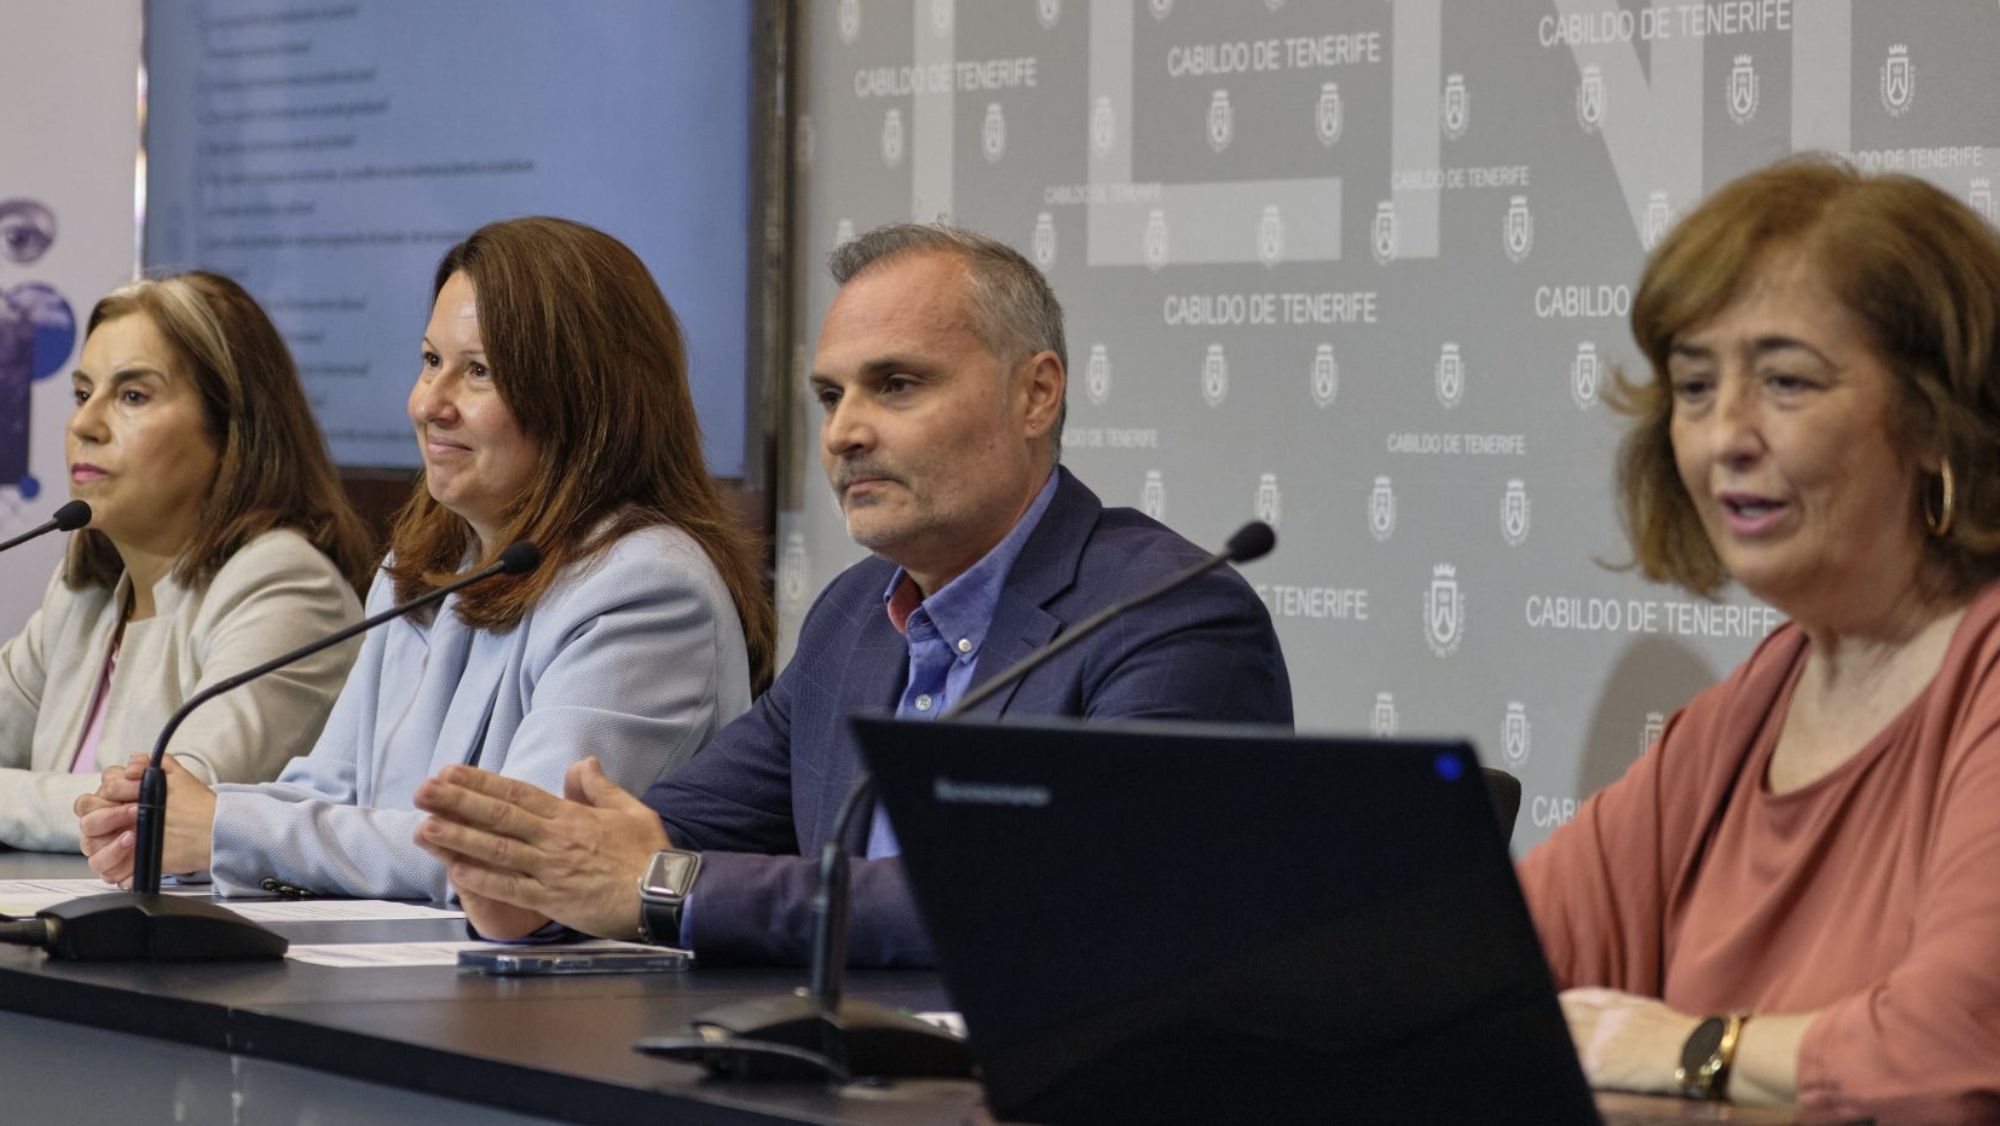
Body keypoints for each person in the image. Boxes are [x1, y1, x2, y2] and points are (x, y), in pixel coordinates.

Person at [411, 222, 1293, 965]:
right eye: (830, 395)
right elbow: (659, 829)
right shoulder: (854, 617)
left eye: (897, 385)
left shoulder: (1169, 617)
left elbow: (1062, 902)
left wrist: (662, 885)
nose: (844, 432)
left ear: (1037, 393)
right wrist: (528, 873)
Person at [76, 217, 774, 901]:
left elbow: (512, 856)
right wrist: (169, 817)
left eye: (478, 372)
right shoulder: (422, 566)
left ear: (581, 401)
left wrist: (227, 826)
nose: (428, 403)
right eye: (431, 361)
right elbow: (328, 790)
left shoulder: (647, 586)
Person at [1519, 157, 2000, 1122]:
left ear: (1936, 418)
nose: (1724, 434)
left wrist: (1689, 1051)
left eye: (1785, 381)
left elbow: (1949, 1051)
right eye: (1695, 388)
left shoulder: (1982, 678)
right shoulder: (1758, 702)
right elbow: (1490, 958)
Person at [0, 272, 371, 851]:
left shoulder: (285, 586)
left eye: (132, 396)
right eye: (82, 393)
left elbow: (160, 811)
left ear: (230, 428)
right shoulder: (86, 593)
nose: (83, 424)